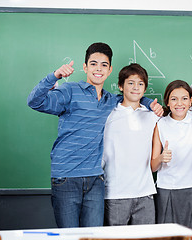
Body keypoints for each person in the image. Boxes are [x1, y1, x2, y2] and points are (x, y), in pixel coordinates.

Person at [27, 43, 163, 228]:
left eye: (104, 65)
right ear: (85, 67)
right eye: (93, 63)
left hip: (96, 180)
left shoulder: (110, 100)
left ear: (109, 70)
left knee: (95, 236)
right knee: (69, 236)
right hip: (66, 177)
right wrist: (55, 76)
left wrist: (149, 103)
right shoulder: (70, 91)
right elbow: (35, 102)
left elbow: (132, 97)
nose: (98, 68)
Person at [102, 64, 192, 226]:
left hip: (146, 193)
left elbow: (181, 112)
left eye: (140, 84)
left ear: (145, 89)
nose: (136, 87)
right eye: (130, 83)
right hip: (115, 193)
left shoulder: (153, 116)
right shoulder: (108, 114)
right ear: (120, 86)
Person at [151, 75, 192, 229]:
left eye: (184, 99)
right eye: (174, 99)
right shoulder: (160, 124)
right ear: (167, 102)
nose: (179, 103)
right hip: (167, 188)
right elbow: (153, 166)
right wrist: (161, 158)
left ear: (191, 101)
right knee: (168, 235)